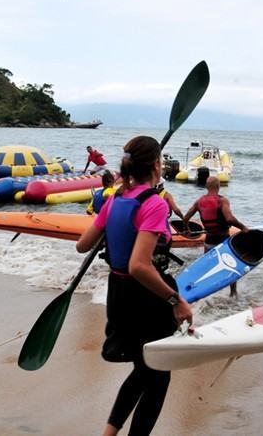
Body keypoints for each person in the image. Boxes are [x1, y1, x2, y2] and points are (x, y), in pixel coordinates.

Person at [77, 136, 193, 436]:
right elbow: (139, 266)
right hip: (147, 298)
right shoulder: (152, 203)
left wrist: (115, 227)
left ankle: (107, 434)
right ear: (157, 164)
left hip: (118, 295)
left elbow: (82, 245)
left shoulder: (116, 199)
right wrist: (175, 301)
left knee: (144, 371)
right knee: (157, 375)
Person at [183, 176, 249, 297]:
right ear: (218, 186)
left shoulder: (199, 202)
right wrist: (243, 227)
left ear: (206, 187)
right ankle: (233, 294)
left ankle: (202, 293)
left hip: (209, 240)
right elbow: (229, 218)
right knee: (231, 266)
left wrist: (187, 229)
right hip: (223, 239)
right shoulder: (222, 201)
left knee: (207, 267)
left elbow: (186, 217)